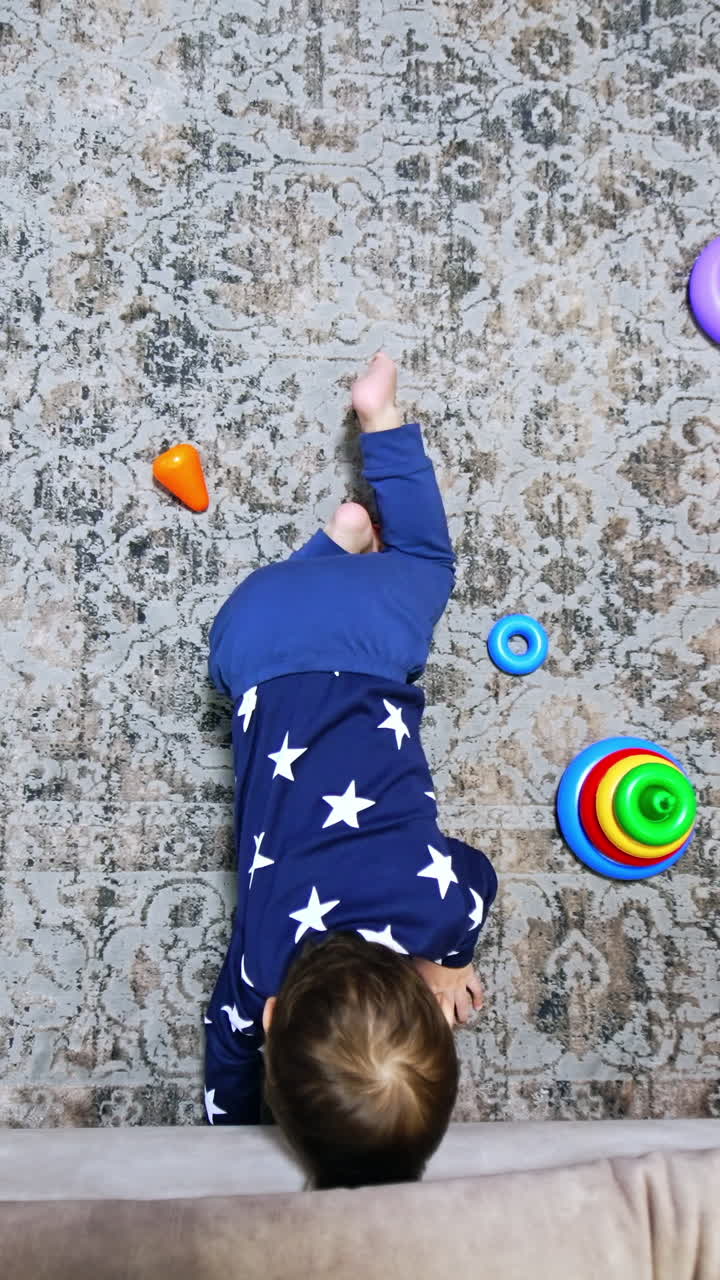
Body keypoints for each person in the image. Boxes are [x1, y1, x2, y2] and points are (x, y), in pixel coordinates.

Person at [203, 353, 498, 1189]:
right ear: (272, 1015)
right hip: (248, 632)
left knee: (430, 565)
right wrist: (229, 1134)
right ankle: (329, 546)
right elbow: (226, 1074)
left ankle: (379, 422)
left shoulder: (440, 902)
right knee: (273, 643)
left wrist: (450, 959)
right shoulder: (261, 965)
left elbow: (480, 875)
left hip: (357, 640)